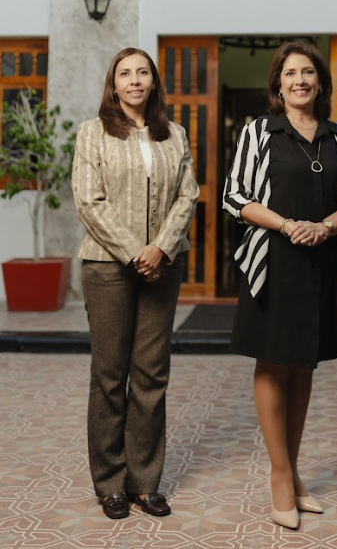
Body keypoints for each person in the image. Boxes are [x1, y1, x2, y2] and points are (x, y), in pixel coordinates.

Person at [223, 39, 337, 530]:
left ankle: (294, 470)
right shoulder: (259, 131)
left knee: (304, 363)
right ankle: (280, 475)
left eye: (308, 72)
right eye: (290, 73)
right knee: (273, 361)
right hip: (274, 260)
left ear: (320, 82)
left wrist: (324, 227)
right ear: (278, 84)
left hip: (323, 259)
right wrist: (287, 225)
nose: (300, 80)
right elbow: (235, 196)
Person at [72, 47, 199, 520]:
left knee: (151, 374)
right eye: (125, 73)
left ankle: (144, 482)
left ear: (153, 81)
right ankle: (110, 483)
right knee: (109, 376)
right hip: (108, 267)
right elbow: (89, 200)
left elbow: (188, 195)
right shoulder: (92, 132)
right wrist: (133, 251)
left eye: (142, 72)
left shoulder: (175, 134)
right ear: (114, 83)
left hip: (162, 265)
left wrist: (160, 248)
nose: (134, 80)